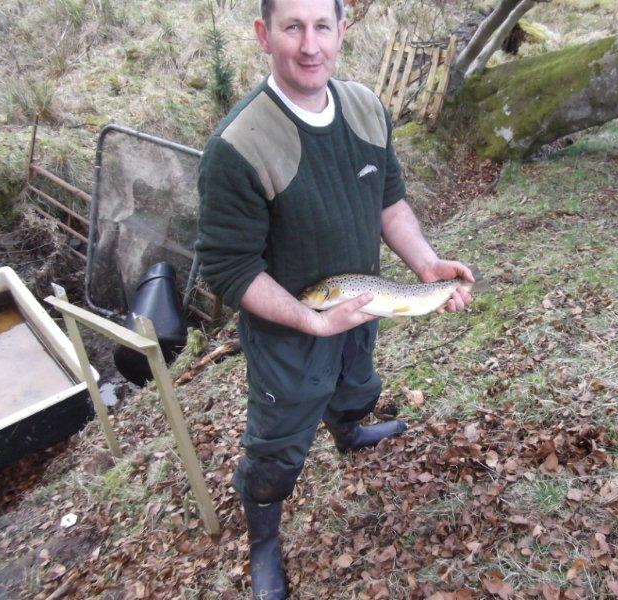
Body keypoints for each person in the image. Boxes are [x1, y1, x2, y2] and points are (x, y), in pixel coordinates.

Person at [197, 0, 473, 597]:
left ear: (343, 32)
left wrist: (426, 265)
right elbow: (227, 269)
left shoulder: (367, 110)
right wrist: (309, 321)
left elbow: (389, 203)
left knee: (356, 386)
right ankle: (264, 542)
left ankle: (349, 433)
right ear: (262, 35)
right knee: (276, 446)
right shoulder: (237, 147)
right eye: (291, 27)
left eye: (322, 26)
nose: (309, 45)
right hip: (286, 333)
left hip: (362, 305)